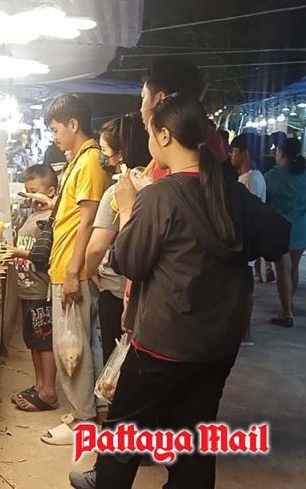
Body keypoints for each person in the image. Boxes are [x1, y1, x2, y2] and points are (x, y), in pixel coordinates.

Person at [69, 93, 289, 489]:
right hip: (218, 344)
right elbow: (278, 237)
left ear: (165, 135)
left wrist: (128, 207)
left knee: (122, 441)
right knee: (193, 441)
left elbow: (129, 262)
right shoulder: (229, 190)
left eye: (150, 132)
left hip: (163, 343)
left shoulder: (160, 195)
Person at [39, 94, 109, 446]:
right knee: (84, 344)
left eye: (56, 129)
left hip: (73, 270)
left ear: (73, 124)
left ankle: (84, 422)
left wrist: (71, 271)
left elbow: (88, 221)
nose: (54, 137)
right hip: (71, 266)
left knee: (71, 348)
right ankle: (92, 413)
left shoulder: (90, 161)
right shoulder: (81, 160)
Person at [85, 114, 150, 363]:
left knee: (115, 365)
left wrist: (91, 269)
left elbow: (96, 247)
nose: (102, 158)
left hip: (116, 292)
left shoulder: (118, 191)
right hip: (149, 295)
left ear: (120, 154)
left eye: (104, 151)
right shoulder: (155, 184)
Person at [10, 165, 59, 412]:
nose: (30, 196)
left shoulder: (51, 219)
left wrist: (15, 252)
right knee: (33, 341)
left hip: (41, 291)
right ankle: (39, 385)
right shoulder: (32, 215)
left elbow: (45, 256)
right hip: (27, 289)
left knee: (44, 342)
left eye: (34, 191)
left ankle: (48, 391)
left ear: (50, 192)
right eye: (27, 191)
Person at [265, 137, 306, 328]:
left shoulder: (272, 175)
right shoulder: (304, 174)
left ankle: (286, 313)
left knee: (282, 270)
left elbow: (264, 201)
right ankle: (288, 303)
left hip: (280, 230)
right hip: (301, 229)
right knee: (293, 269)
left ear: (280, 152)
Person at [230, 133, 267, 344]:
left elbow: (246, 213)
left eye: (234, 152)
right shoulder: (254, 177)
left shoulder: (250, 179)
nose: (231, 156)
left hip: (244, 241)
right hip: (247, 241)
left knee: (244, 289)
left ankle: (244, 333)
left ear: (245, 153)